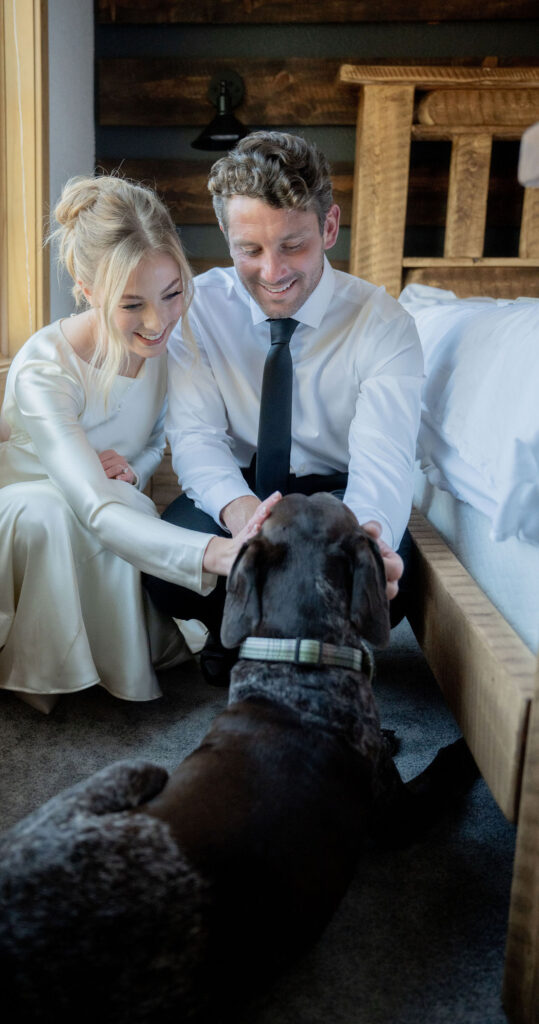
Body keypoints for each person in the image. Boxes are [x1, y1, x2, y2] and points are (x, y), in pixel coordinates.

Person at [0, 174, 279, 713]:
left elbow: (152, 445)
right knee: (53, 512)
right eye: (132, 306)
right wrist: (216, 552)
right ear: (87, 287)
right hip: (15, 514)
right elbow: (91, 504)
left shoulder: (170, 345)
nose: (158, 322)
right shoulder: (44, 366)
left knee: (124, 498)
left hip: (104, 498)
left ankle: (115, 656)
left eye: (172, 295)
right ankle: (38, 671)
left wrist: (131, 467)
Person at [143, 131, 424, 686]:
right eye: (251, 250)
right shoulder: (198, 312)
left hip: (337, 493)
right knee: (169, 570)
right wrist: (246, 519)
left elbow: (385, 457)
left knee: (395, 584)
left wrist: (369, 539)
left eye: (293, 245)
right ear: (226, 235)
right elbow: (197, 438)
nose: (273, 272)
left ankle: (259, 642)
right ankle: (270, 638)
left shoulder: (385, 324)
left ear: (329, 227)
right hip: (246, 486)